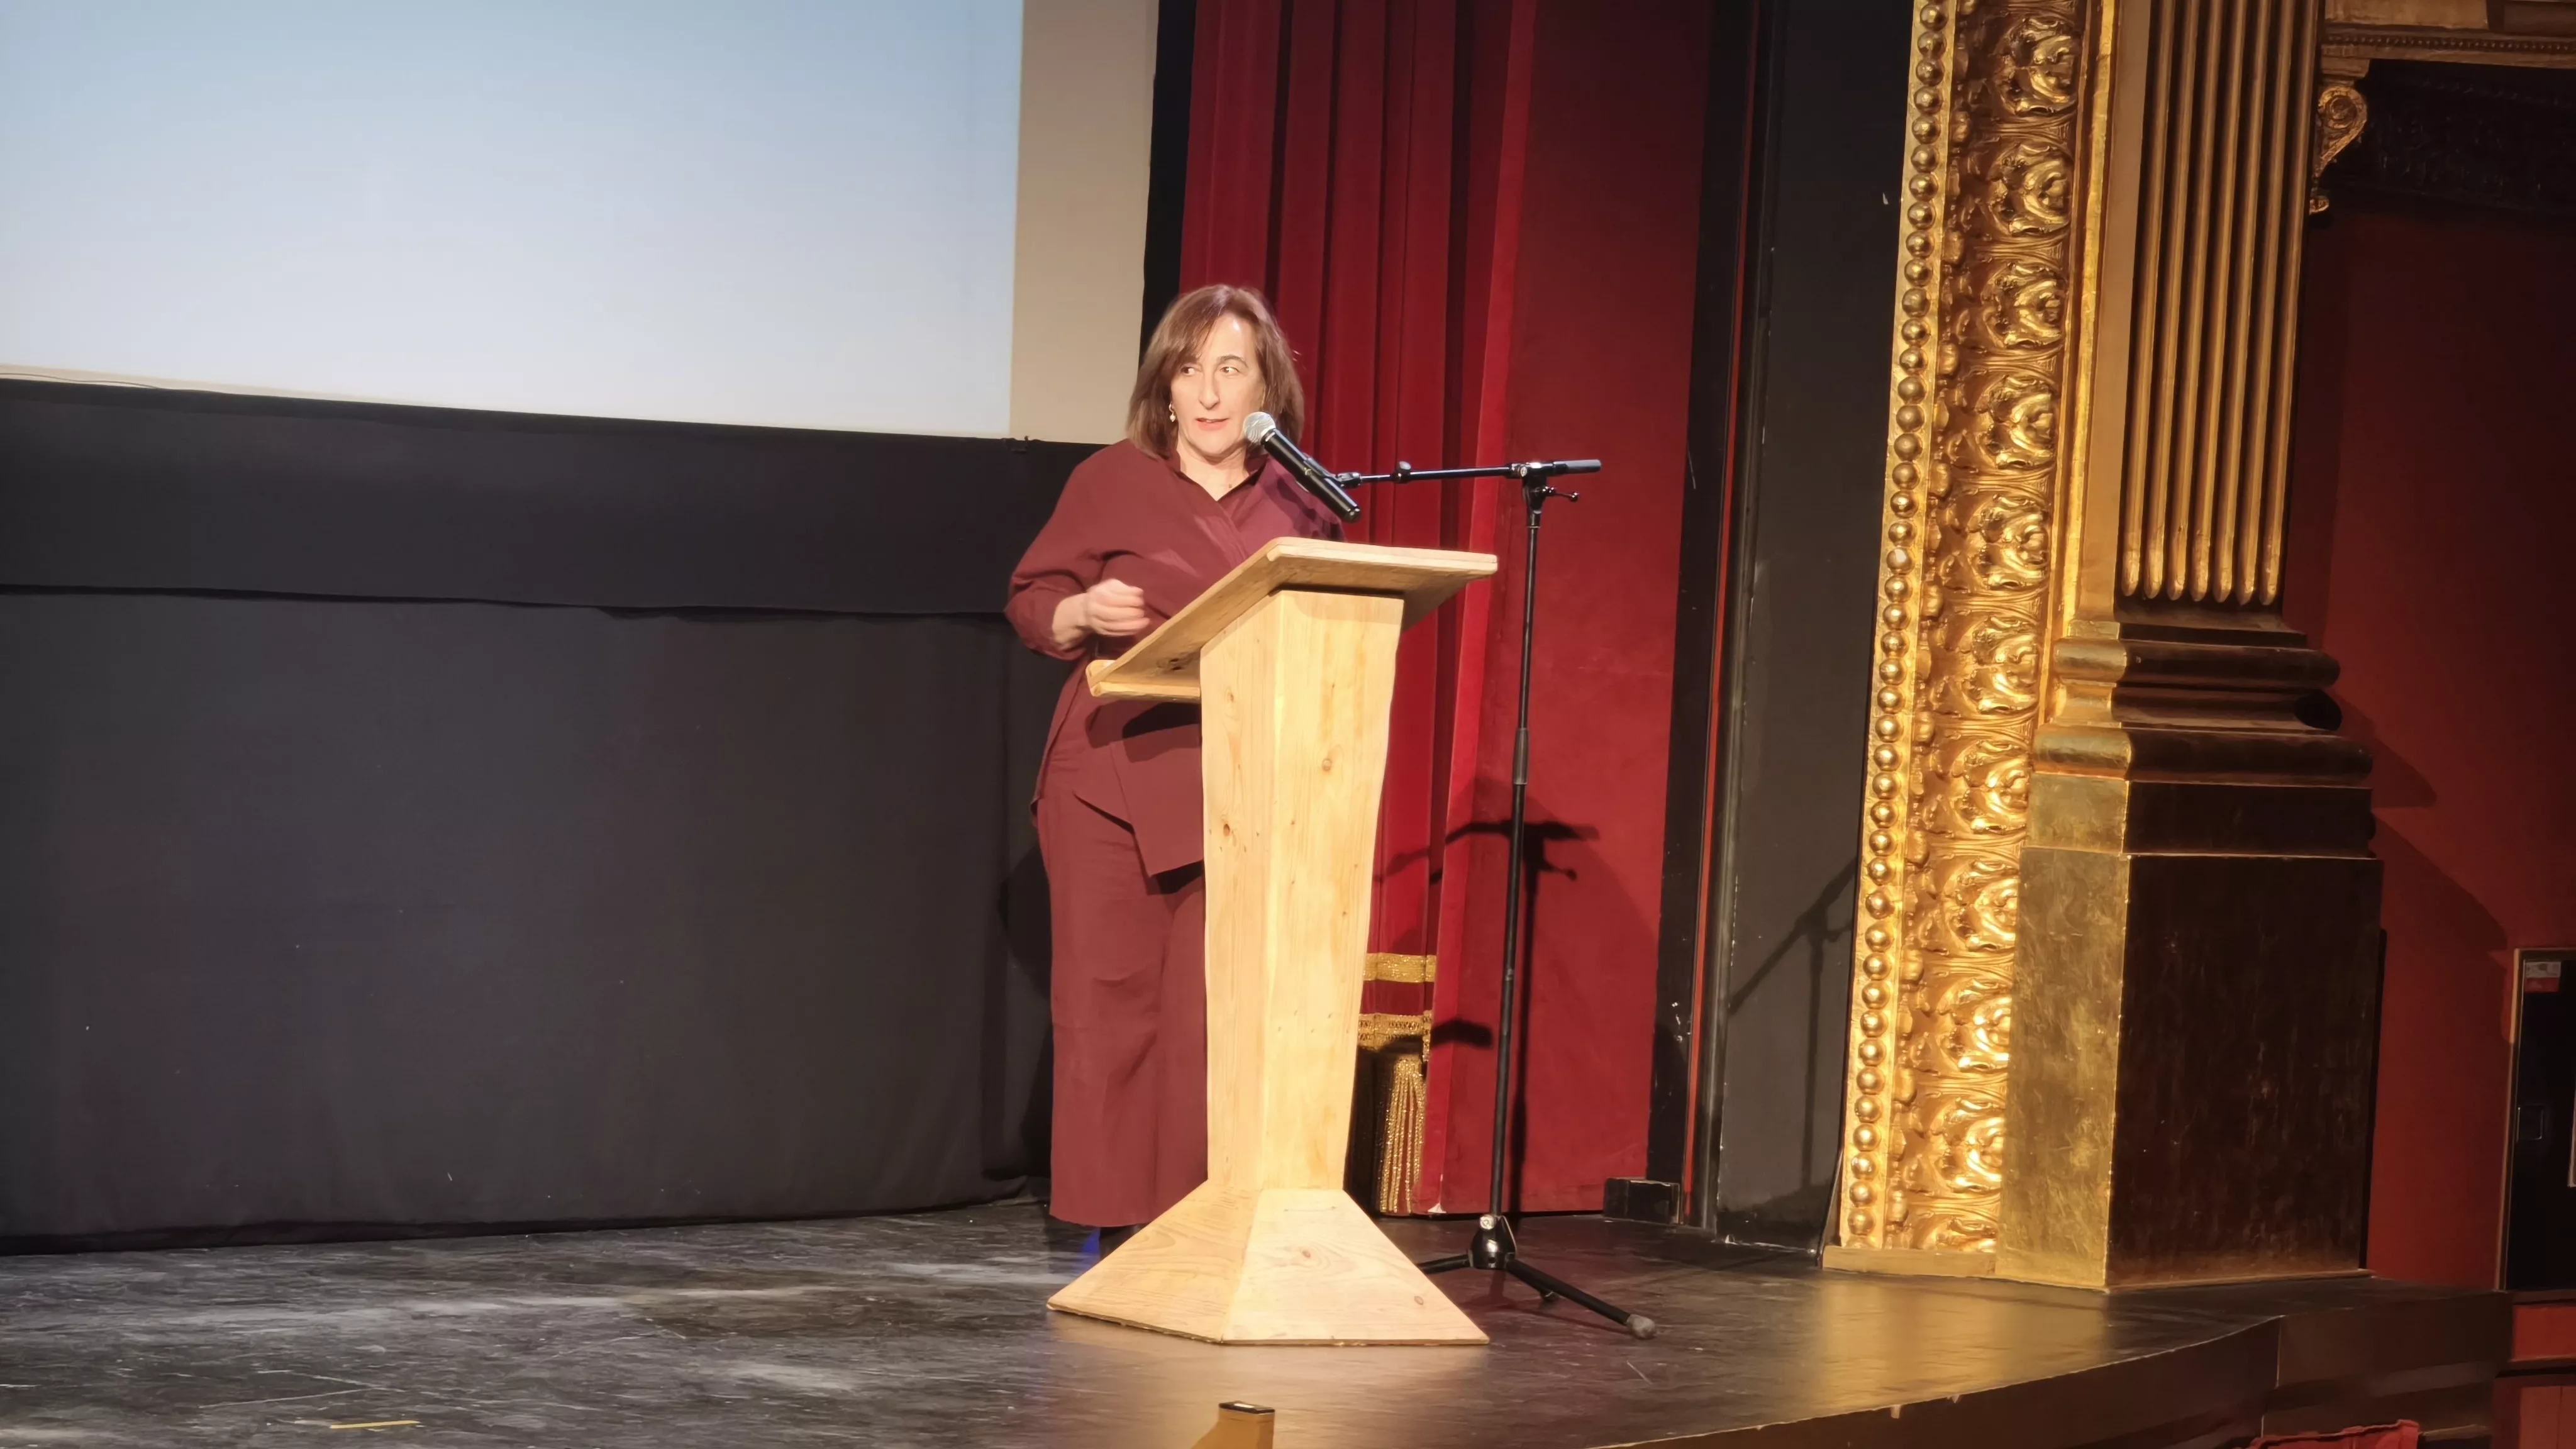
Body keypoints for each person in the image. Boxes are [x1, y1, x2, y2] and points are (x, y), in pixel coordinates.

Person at [1004, 285, 1343, 1231]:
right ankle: (1116, 1230)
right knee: (1110, 1014)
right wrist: (1078, 613)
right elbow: (1033, 599)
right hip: (1109, 776)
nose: (1207, 392)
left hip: (1242, 785)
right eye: (1188, 370)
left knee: (1210, 1022)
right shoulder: (1111, 478)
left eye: (1230, 369)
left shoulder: (1302, 501)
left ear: (1265, 387)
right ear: (1162, 389)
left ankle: (1197, 1225)